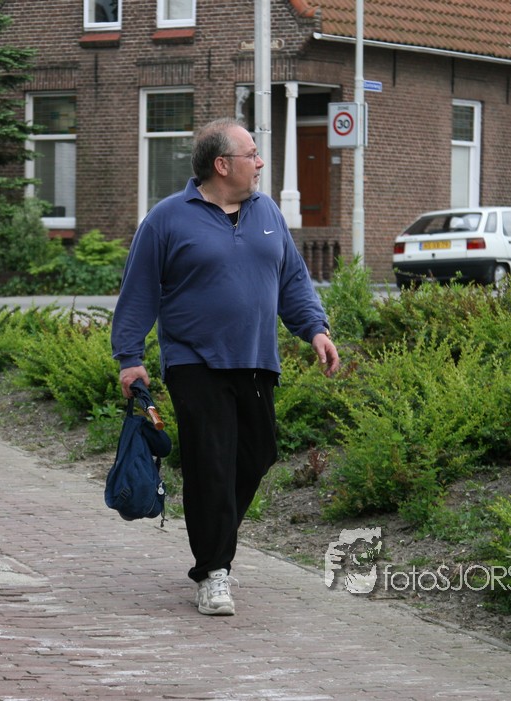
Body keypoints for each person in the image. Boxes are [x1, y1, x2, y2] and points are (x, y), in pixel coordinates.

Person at [110, 118, 340, 616]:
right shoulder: (167, 219)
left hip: (256, 360)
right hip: (194, 361)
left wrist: (315, 329)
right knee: (211, 463)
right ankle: (214, 571)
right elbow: (138, 291)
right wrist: (130, 359)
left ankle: (214, 538)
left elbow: (292, 279)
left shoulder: (267, 212)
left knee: (258, 454)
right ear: (221, 165)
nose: (260, 163)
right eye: (251, 154)